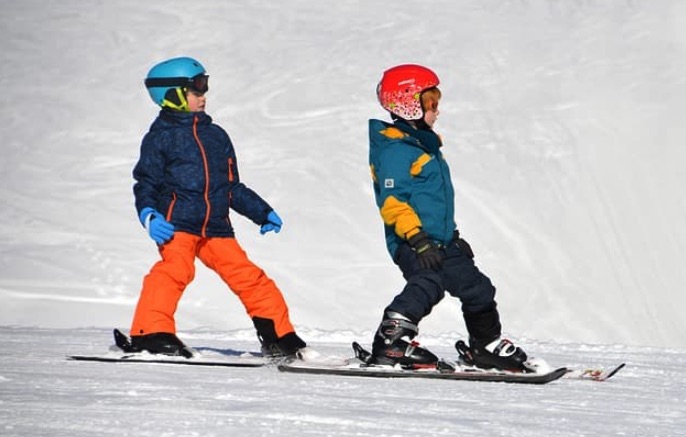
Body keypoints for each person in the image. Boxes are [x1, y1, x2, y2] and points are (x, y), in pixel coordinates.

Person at [128, 56, 307, 358]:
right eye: (196, 90)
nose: (203, 96)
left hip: (216, 227)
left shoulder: (216, 135)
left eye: (205, 88)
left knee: (250, 277)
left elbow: (230, 186)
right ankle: (150, 333)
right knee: (174, 271)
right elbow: (146, 182)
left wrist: (260, 211)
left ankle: (279, 336)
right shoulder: (160, 138)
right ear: (172, 94)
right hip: (177, 223)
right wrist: (149, 214)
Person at [368, 64, 529, 371]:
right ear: (408, 103)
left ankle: (486, 345)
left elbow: (435, 203)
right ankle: (391, 342)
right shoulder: (396, 151)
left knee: (478, 288)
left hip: (440, 242)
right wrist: (417, 239)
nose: (436, 110)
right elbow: (393, 203)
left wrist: (452, 237)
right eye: (430, 103)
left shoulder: (423, 145)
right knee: (428, 283)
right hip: (411, 241)